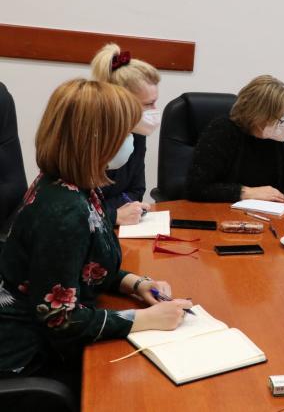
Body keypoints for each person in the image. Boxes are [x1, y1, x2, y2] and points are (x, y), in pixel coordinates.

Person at [0, 79, 191, 392]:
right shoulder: (65, 212)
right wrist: (145, 319)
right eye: (124, 133)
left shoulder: (76, 185)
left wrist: (136, 284)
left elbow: (84, 265)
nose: (131, 140)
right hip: (30, 358)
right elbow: (60, 319)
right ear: (95, 140)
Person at [186, 75, 284, 220]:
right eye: (277, 117)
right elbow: (196, 187)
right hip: (224, 216)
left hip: (270, 217)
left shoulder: (281, 132)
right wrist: (248, 192)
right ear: (257, 116)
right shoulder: (222, 131)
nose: (283, 123)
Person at [90, 43, 162, 226]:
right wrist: (113, 214)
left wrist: (118, 211)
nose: (155, 110)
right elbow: (74, 207)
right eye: (148, 104)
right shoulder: (88, 138)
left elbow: (136, 191)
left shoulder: (137, 134)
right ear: (120, 103)